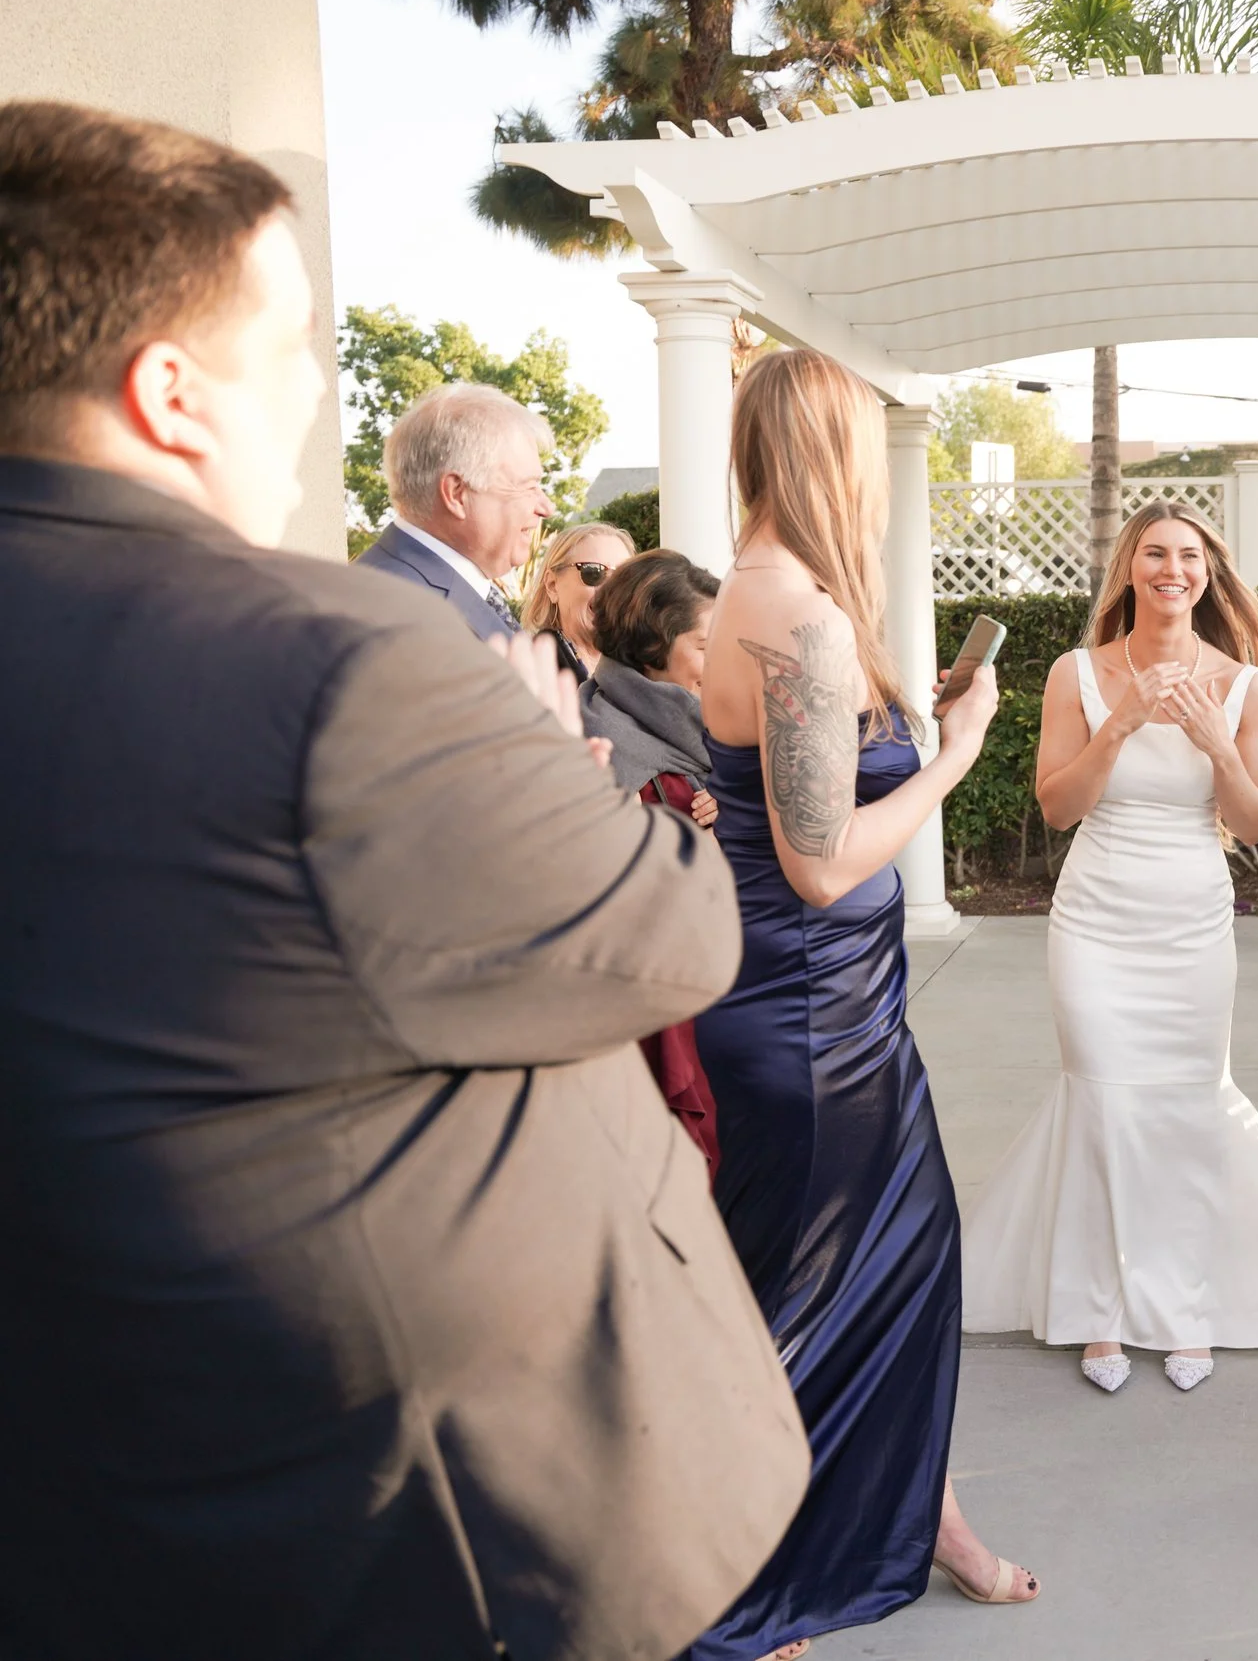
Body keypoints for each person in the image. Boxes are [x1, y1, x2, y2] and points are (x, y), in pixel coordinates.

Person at [0, 101, 809, 1660]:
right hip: (400, 1523)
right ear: (170, 393)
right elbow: (674, 933)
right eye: (292, 342)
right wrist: (533, 753)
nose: (316, 394)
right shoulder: (333, 655)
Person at [690, 347, 1036, 1658]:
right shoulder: (798, 616)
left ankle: (923, 1515)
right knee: (809, 1308)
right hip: (803, 1020)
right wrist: (953, 752)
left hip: (827, 1009)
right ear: (834, 454)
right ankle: (756, 1602)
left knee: (892, 1275)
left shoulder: (778, 594)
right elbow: (821, 856)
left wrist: (901, 716)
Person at [961, 501, 1258, 1394]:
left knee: (1184, 1104)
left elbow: (1254, 821)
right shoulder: (1076, 673)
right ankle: (1100, 1306)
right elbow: (1059, 807)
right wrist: (1121, 722)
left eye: (1189, 556)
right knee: (1101, 1099)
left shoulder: (1247, 684)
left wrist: (1217, 742)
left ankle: (1184, 1302)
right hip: (1096, 919)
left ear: (1207, 574)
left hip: (1192, 923)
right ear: (1129, 570)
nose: (1173, 569)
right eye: (1155, 554)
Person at [583, 549, 726, 1172]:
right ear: (650, 650)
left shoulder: (678, 727)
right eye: (704, 645)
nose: (722, 663)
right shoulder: (615, 752)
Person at [360, 380, 555, 640]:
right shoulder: (402, 614)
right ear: (457, 494)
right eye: (528, 487)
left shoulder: (409, 590)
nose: (546, 508)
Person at [527, 518, 634, 680]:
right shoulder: (531, 670)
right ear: (552, 585)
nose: (612, 590)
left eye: (624, 578)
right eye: (594, 573)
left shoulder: (646, 670)